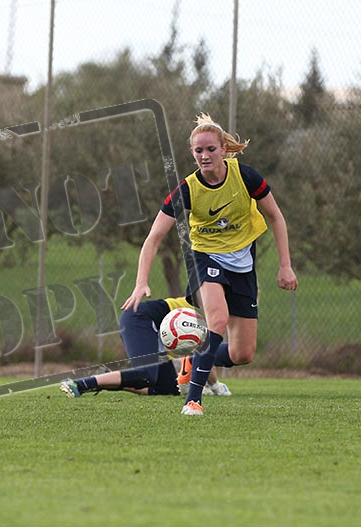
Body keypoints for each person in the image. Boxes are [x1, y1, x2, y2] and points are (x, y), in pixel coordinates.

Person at [121, 114, 298, 416]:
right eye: (198, 151)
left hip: (243, 262)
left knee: (243, 353)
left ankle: (194, 355)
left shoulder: (246, 177)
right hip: (206, 258)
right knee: (217, 320)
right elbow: (153, 238)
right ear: (192, 153)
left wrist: (285, 266)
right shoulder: (188, 189)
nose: (204, 156)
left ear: (224, 149)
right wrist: (141, 281)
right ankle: (194, 400)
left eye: (210, 149)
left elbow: (277, 217)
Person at [59, 296, 231, 398]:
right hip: (138, 319)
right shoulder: (202, 310)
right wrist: (216, 387)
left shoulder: (207, 310)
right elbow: (203, 352)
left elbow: (199, 352)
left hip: (150, 328)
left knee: (167, 389)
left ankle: (105, 379)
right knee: (146, 376)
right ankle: (81, 384)